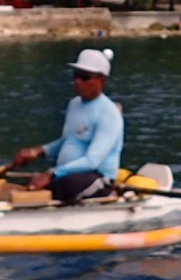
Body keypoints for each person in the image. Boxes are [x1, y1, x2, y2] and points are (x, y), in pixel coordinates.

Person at [11, 49, 124, 205]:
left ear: (102, 81)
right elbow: (67, 140)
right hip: (66, 175)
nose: (78, 81)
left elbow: (92, 161)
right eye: (76, 75)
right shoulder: (74, 104)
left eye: (85, 77)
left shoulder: (109, 114)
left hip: (98, 178)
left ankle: (108, 194)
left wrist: (52, 174)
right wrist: (37, 151)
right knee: (31, 180)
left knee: (64, 184)